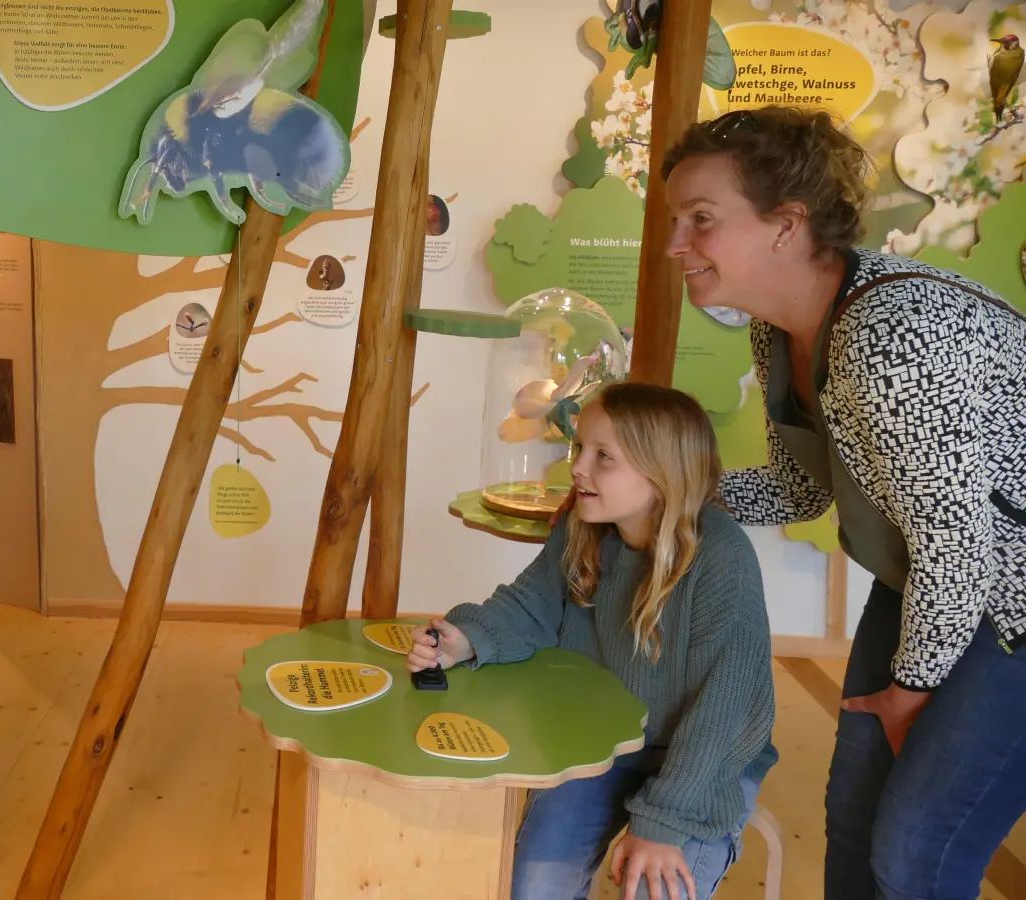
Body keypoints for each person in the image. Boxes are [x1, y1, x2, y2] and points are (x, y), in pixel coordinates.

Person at [659, 104, 1026, 899]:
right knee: (853, 820)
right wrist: (668, 492)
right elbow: (803, 484)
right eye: (674, 220)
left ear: (787, 225)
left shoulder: (892, 333)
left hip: (1010, 603)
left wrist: (911, 688)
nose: (673, 245)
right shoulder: (776, 332)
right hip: (932, 583)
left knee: (919, 849)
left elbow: (962, 546)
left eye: (701, 220)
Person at [407, 382, 777, 900]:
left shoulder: (722, 557)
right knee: (532, 884)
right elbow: (530, 604)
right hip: (606, 744)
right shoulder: (581, 525)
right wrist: (465, 640)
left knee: (658, 891)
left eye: (604, 456)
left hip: (702, 764)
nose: (579, 467)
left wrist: (662, 824)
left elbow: (725, 710)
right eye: (580, 449)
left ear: (662, 472)